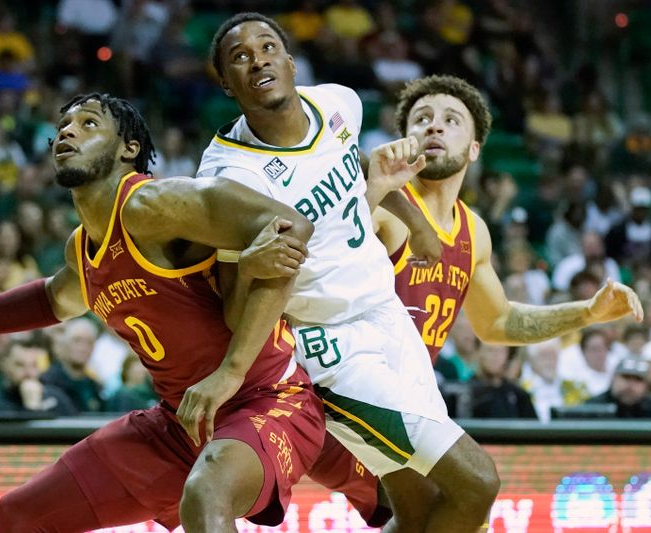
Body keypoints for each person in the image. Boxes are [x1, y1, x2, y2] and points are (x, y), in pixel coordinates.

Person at [0, 92, 383, 531]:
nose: (68, 132)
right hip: (180, 422)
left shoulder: (157, 204)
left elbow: (287, 225)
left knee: (207, 497)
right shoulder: (84, 249)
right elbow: (48, 301)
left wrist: (231, 369)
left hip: (268, 400)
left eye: (89, 124)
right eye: (63, 127)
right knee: (19, 516)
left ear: (129, 149)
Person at [197, 13, 498, 533]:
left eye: (268, 47)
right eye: (239, 57)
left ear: (291, 62)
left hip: (388, 315)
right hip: (333, 349)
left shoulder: (339, 102)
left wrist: (415, 223)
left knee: (420, 505)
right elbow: (230, 303)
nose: (258, 59)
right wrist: (248, 276)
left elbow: (354, 167)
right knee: (477, 482)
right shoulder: (229, 177)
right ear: (226, 82)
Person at [373, 74, 644, 529]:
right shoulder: (384, 207)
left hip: (410, 397)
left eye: (450, 120)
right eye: (421, 119)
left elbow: (498, 323)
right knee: (469, 491)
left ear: (475, 147)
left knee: (440, 514)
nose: (434, 127)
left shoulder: (473, 231)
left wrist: (588, 312)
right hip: (356, 386)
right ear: (405, 139)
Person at [0, 337, 77, 417]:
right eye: (20, 365)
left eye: (34, 365)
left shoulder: (56, 398)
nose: (29, 373)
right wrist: (32, 407)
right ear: (6, 366)